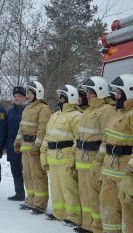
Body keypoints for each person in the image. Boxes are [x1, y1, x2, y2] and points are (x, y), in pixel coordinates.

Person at [67, 76, 116, 233]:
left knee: (96, 197)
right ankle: (87, 225)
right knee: (85, 196)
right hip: (82, 159)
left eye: (90, 92)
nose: (86, 95)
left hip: (94, 160)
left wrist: (99, 161)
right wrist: (72, 157)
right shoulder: (88, 111)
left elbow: (107, 138)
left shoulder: (107, 111)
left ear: (99, 92)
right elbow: (78, 137)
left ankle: (98, 228)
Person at [40, 85, 82, 227]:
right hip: (53, 158)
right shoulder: (55, 116)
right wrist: (43, 153)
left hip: (65, 158)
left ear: (71, 98)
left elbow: (78, 140)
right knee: (56, 188)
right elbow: (47, 136)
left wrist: (72, 158)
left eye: (62, 97)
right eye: (60, 97)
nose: (60, 100)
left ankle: (74, 216)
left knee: (69, 189)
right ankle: (59, 213)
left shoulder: (76, 116)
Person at [100, 74, 133, 233]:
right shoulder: (116, 113)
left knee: (127, 211)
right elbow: (106, 139)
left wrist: (130, 175)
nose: (116, 96)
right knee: (108, 207)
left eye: (119, 93)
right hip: (110, 167)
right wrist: (98, 162)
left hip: (125, 170)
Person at [14, 80, 52, 215]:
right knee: (28, 175)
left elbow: (43, 129)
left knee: (38, 176)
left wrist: (37, 146)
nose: (29, 95)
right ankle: (30, 201)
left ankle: (40, 205)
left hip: (35, 148)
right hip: (25, 147)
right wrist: (17, 142)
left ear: (38, 93)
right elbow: (21, 128)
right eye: (28, 93)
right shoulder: (27, 108)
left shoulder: (44, 109)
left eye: (31, 93)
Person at [6, 86, 27, 201]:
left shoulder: (27, 110)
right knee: (15, 170)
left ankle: (32, 196)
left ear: (24, 97)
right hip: (12, 146)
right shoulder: (10, 110)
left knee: (27, 172)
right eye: (15, 96)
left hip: (25, 146)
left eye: (19, 96)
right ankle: (19, 193)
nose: (16, 98)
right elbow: (7, 128)